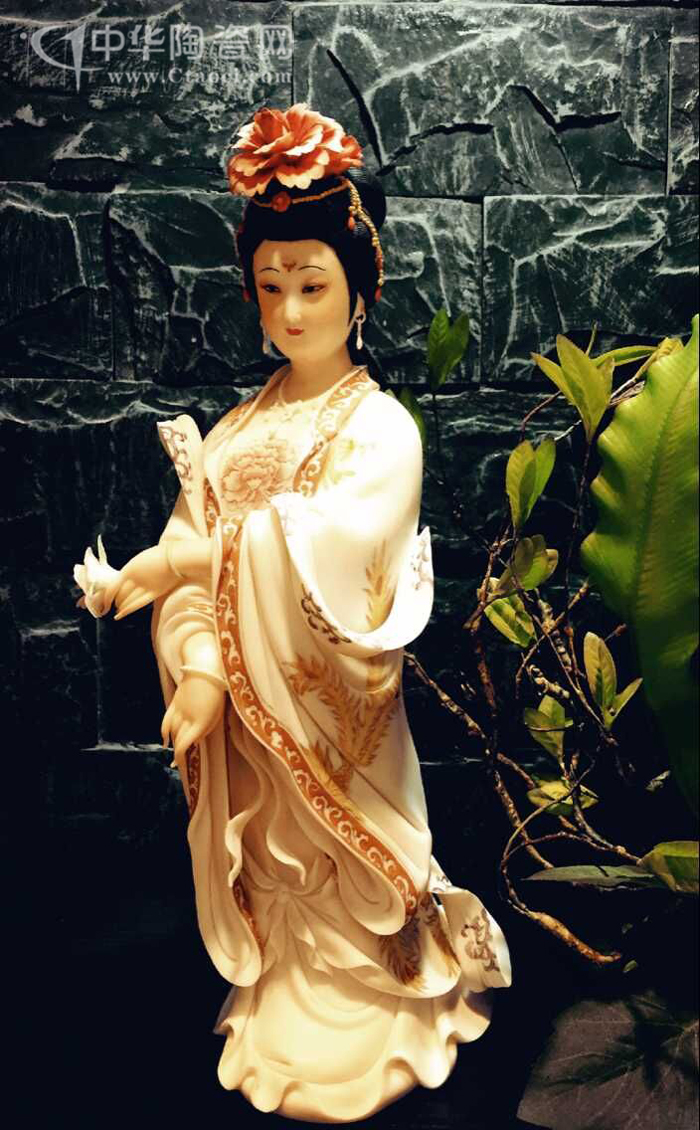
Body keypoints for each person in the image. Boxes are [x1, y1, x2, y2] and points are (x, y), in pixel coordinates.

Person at [74, 102, 512, 1123]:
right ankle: (284, 999)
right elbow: (196, 574)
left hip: (335, 727)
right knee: (275, 876)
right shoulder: (236, 429)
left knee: (351, 881)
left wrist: (186, 559)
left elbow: (332, 564)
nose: (291, 310)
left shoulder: (382, 430)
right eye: (271, 287)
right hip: (252, 734)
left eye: (312, 284)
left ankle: (381, 1007)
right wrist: (201, 671)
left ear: (361, 289)